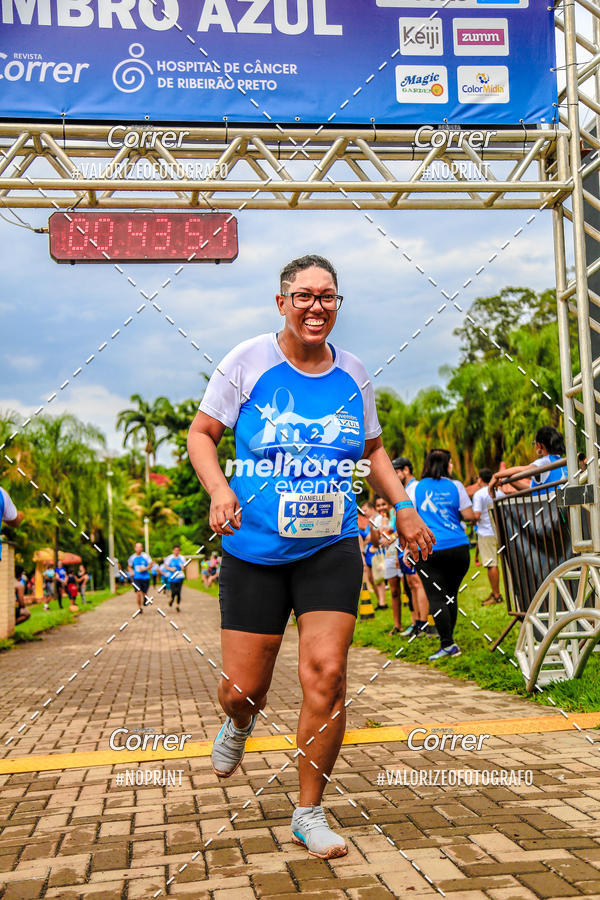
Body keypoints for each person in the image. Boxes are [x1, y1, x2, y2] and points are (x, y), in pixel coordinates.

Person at [187, 253, 433, 859]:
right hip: (255, 550)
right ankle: (240, 722)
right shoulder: (246, 362)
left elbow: (373, 449)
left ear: (337, 304)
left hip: (329, 548)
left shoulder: (353, 372)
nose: (316, 307)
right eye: (303, 296)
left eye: (327, 297)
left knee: (326, 675)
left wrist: (402, 506)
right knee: (243, 688)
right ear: (282, 303)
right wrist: (220, 490)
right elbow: (202, 435)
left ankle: (309, 810)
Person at [412, 449, 475, 661]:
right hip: (458, 547)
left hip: (429, 549)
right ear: (446, 464)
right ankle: (449, 640)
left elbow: (410, 520)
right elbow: (468, 515)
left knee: (436, 597)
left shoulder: (415, 488)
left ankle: (447, 643)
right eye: (450, 463)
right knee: (450, 595)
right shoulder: (456, 486)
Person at [392, 458, 432, 638]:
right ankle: (416, 622)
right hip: (402, 544)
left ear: (406, 470)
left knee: (418, 582)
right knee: (410, 584)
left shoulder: (416, 488)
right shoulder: (403, 490)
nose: (393, 475)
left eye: (396, 471)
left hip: (413, 542)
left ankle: (424, 623)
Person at [489, 427, 568, 499]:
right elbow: (532, 490)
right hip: (560, 508)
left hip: (548, 509)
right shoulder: (562, 462)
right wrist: (509, 480)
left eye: (534, 443)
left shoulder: (545, 462)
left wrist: (496, 475)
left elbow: (522, 470)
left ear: (539, 445)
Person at [472, 469, 505, 606]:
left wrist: (470, 520)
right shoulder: (500, 492)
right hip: (501, 532)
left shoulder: (479, 494)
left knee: (491, 565)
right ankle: (499, 593)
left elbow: (477, 515)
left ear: (480, 479)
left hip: (486, 532)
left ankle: (496, 595)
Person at [127, 542, 152, 612]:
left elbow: (151, 565)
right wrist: (131, 571)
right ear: (135, 548)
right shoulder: (132, 557)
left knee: (144, 593)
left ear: (142, 548)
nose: (139, 549)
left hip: (145, 577)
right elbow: (129, 566)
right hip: (136, 578)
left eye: (140, 547)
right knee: (138, 593)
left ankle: (145, 599)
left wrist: (145, 568)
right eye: (137, 547)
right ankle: (139, 608)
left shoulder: (146, 556)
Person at [164, 544, 186, 611]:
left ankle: (177, 606)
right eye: (175, 550)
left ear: (179, 551)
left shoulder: (182, 558)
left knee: (179, 592)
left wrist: (183, 567)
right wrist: (170, 569)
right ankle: (172, 599)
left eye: (178, 550)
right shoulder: (169, 558)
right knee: (173, 592)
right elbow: (165, 566)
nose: (176, 552)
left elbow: (184, 566)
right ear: (173, 551)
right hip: (172, 577)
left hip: (180, 577)